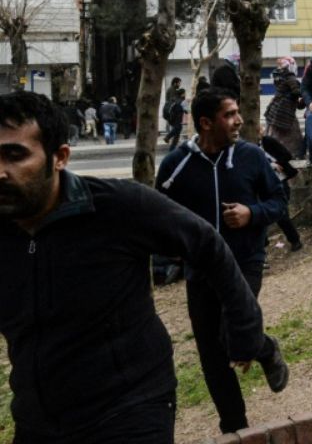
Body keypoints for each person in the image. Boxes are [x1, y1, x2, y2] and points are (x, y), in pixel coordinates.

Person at [0, 91, 270, 443]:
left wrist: (245, 330)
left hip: (129, 411)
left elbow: (207, 245)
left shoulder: (117, 207)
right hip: (38, 419)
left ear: (59, 157)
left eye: (15, 155)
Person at [156, 88, 290, 434]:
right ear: (205, 123)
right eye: (229, 114)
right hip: (200, 269)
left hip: (245, 259)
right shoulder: (175, 166)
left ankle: (265, 349)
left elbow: (279, 201)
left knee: (234, 335)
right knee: (211, 353)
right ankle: (234, 426)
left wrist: (252, 213)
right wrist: (170, 249)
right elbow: (159, 217)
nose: (239, 120)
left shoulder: (251, 156)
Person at [261, 132, 304, 252]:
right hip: (261, 185)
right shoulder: (249, 147)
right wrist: (270, 165)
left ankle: (295, 240)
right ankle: (262, 247)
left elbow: (286, 155)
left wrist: (277, 164)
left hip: (278, 182)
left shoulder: (267, 141)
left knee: (282, 214)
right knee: (260, 217)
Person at [264, 56, 304, 157]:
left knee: (273, 134)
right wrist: (305, 94)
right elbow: (296, 92)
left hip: (275, 109)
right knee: (291, 137)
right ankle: (292, 154)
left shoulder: (279, 77)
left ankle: (271, 154)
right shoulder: (290, 77)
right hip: (285, 113)